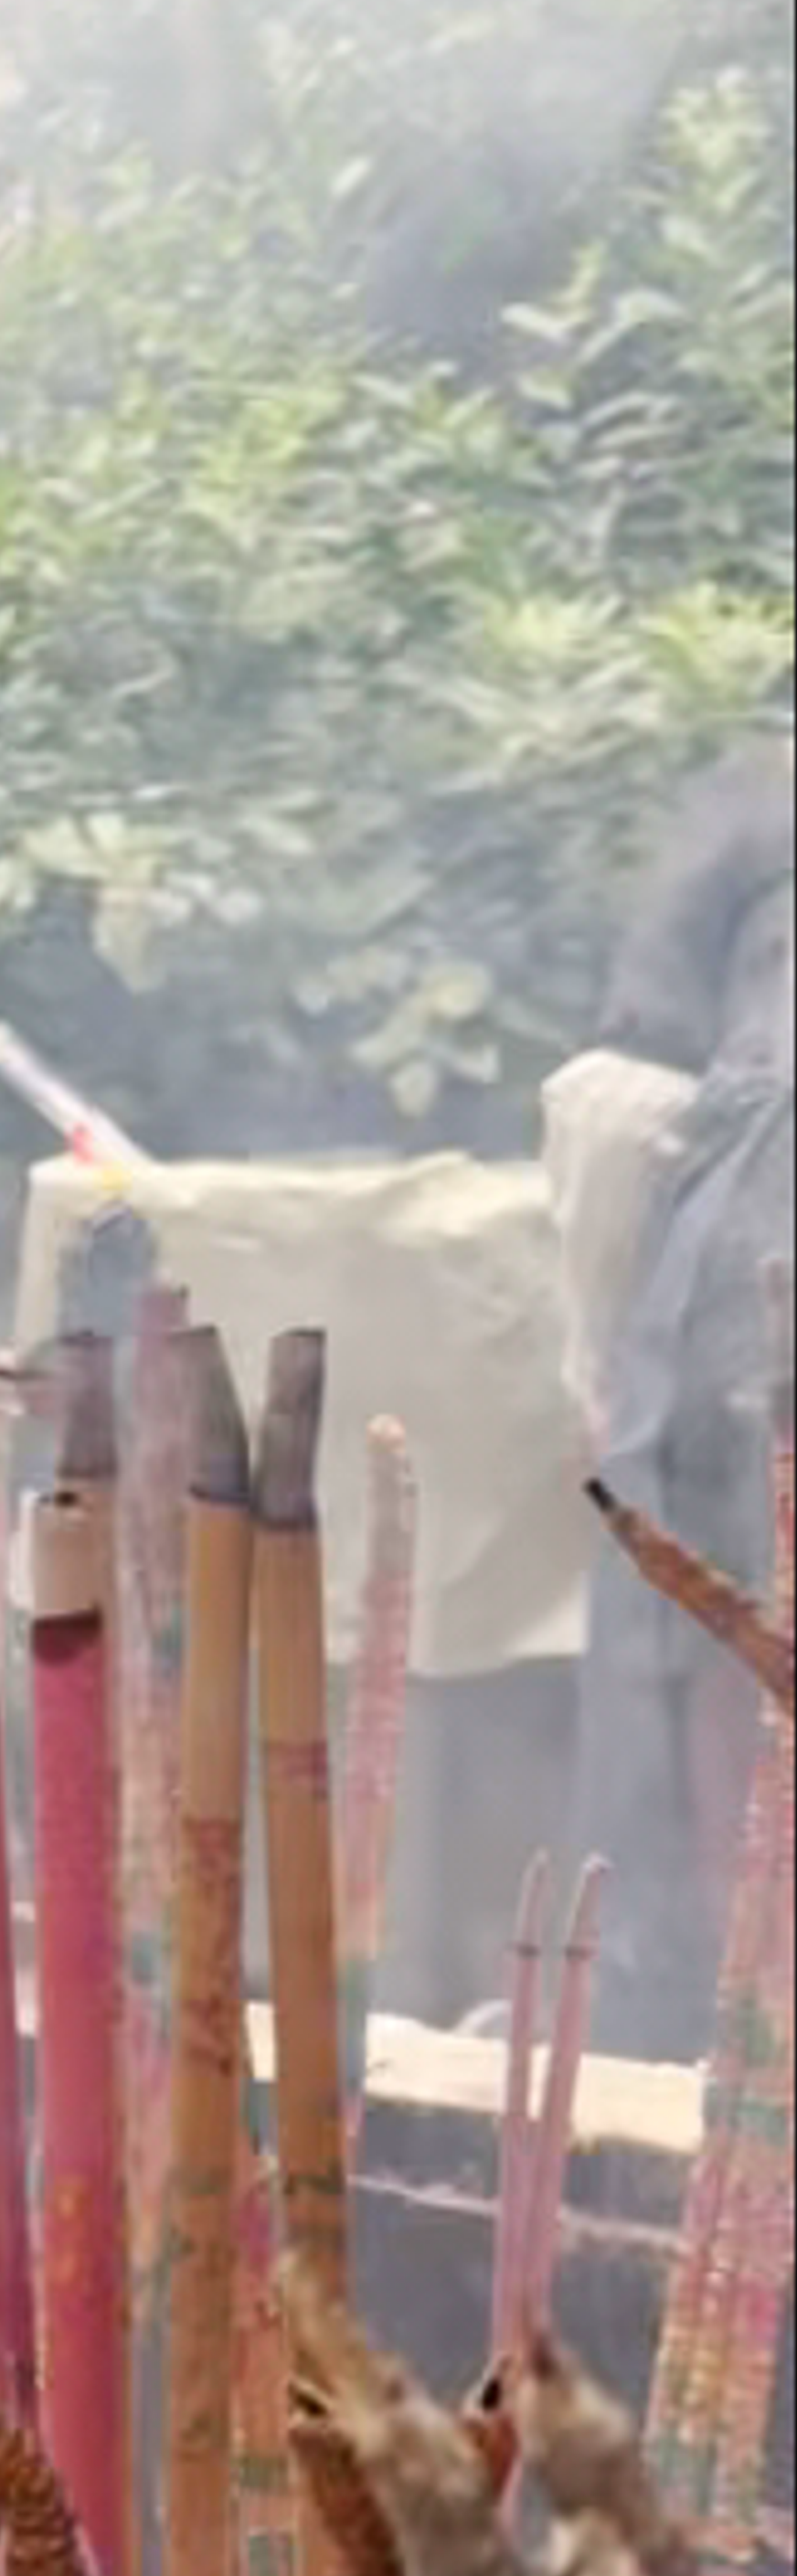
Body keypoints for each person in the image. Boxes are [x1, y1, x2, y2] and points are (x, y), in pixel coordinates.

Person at [553, 737, 795, 2043]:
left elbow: (614, 1111)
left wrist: (602, 1365)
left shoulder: (762, 791)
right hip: (757, 1285)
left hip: (745, 1267)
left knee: (715, 1638)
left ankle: (717, 2011)